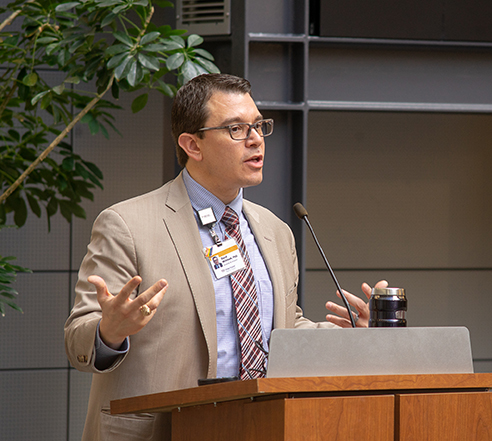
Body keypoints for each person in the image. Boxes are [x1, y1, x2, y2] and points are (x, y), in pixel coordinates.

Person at [64, 73, 387, 441]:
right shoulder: (127, 225)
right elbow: (78, 341)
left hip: (259, 426)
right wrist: (110, 331)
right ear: (192, 145)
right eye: (236, 129)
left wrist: (354, 337)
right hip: (159, 432)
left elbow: (280, 330)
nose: (255, 140)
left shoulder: (276, 231)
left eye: (259, 126)